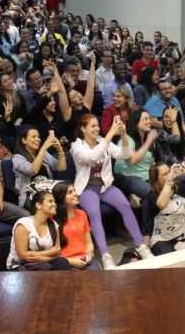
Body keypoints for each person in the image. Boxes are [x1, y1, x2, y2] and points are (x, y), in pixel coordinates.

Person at [70, 114, 153, 269]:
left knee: (125, 205)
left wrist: (122, 133)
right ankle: (105, 255)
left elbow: (126, 155)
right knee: (95, 214)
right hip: (86, 188)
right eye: (92, 126)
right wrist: (109, 135)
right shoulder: (77, 146)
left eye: (97, 125)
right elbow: (92, 157)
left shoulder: (103, 141)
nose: (96, 129)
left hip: (105, 185)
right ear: (83, 129)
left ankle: (141, 246)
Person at [146, 156, 185, 255]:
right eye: (165, 174)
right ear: (156, 179)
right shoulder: (152, 195)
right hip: (161, 240)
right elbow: (161, 204)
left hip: (184, 236)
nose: (169, 175)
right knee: (175, 259)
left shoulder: (180, 188)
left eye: (169, 171)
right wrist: (170, 179)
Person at [6, 190, 70, 271]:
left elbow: (57, 252)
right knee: (43, 268)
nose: (55, 204)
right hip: (19, 267)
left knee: (62, 262)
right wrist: (49, 253)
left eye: (54, 202)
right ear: (38, 205)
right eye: (50, 201)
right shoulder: (23, 224)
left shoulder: (54, 225)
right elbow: (23, 256)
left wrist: (42, 258)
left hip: (44, 263)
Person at [12, 128, 66, 207]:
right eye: (33, 137)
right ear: (24, 140)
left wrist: (59, 149)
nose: (37, 139)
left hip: (47, 192)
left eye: (38, 137)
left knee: (66, 191)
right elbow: (33, 170)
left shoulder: (43, 154)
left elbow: (61, 168)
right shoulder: (17, 158)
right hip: (29, 197)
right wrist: (44, 147)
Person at [52, 182, 98, 270]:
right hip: (67, 262)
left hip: (86, 259)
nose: (75, 194)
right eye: (70, 192)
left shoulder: (82, 213)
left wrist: (90, 251)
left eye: (74, 190)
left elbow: (89, 242)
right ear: (61, 197)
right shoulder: (53, 219)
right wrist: (70, 261)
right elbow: (53, 251)